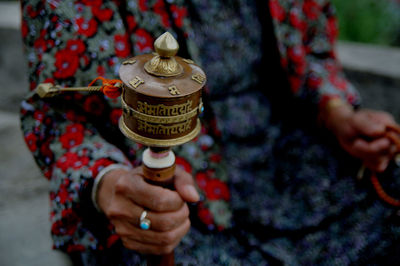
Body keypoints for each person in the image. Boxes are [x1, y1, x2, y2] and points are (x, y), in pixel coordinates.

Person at [20, 0, 400, 264]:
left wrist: (336, 111)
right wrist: (107, 185)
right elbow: (57, 111)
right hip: (163, 189)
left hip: (287, 158)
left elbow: (309, 49)